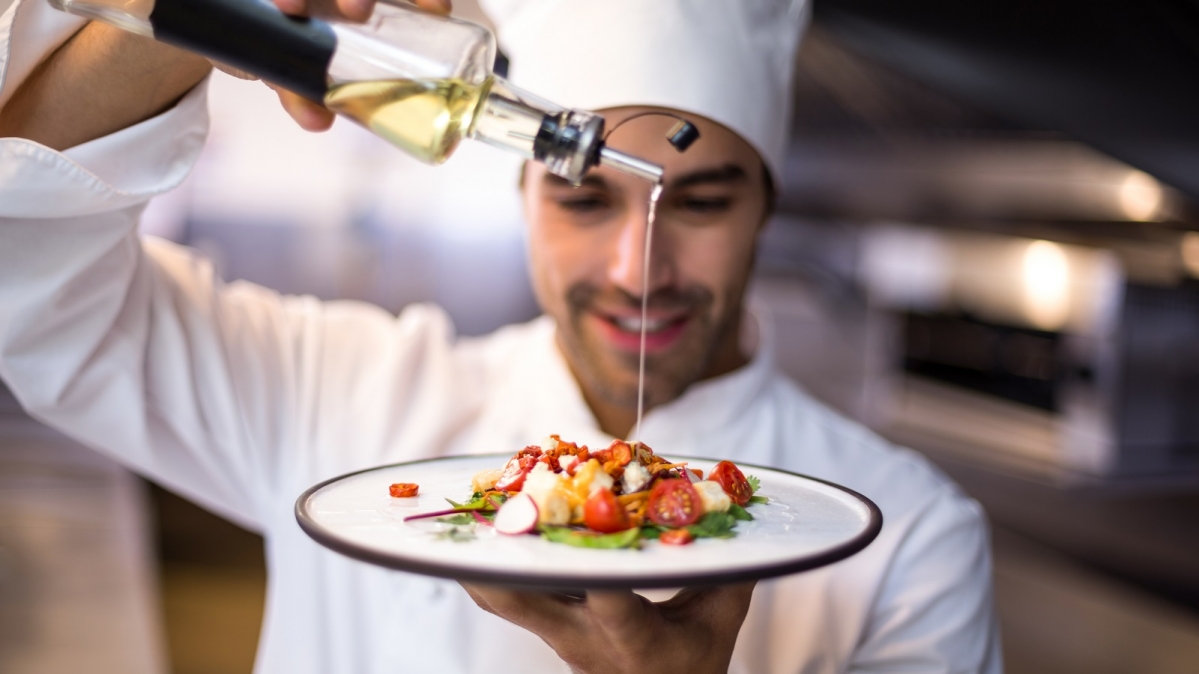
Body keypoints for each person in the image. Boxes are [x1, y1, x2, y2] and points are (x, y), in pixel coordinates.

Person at [0, 0, 1002, 671]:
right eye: (579, 201)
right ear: (523, 188)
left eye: (696, 203)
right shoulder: (339, 390)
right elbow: (25, 280)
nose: (633, 270)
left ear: (765, 209)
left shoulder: (909, 537)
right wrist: (175, 15)